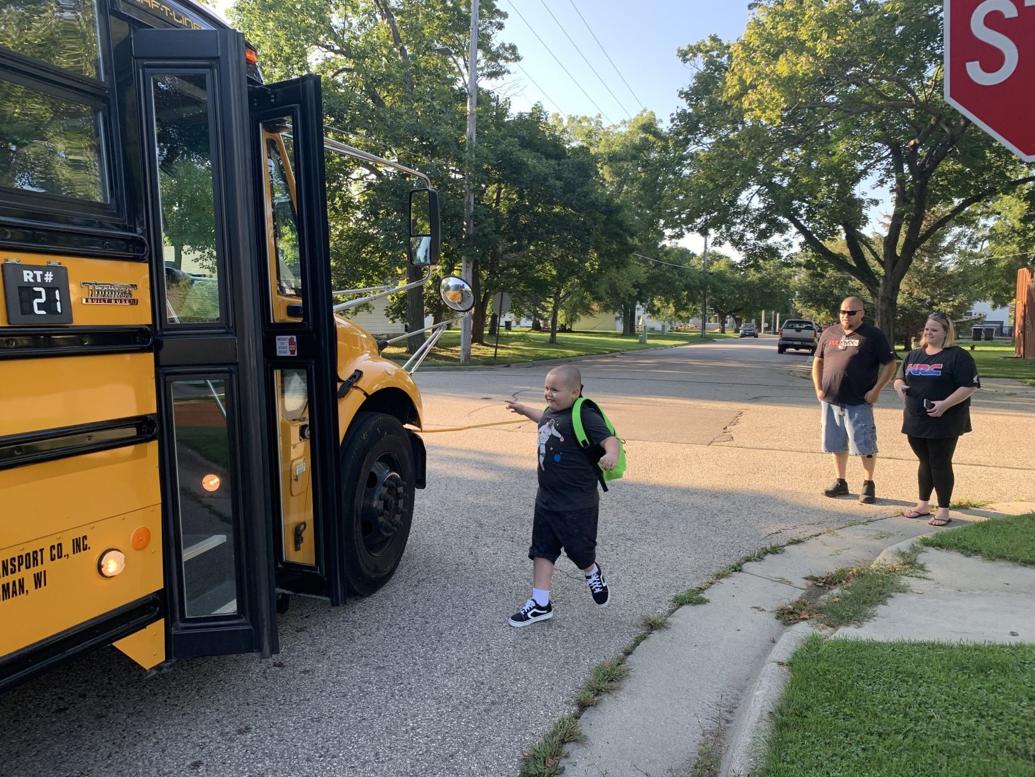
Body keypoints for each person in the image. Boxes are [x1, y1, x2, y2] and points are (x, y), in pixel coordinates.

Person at [504, 365, 619, 627]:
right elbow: (543, 418)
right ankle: (540, 603)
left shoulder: (584, 415)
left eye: (554, 390)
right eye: (546, 388)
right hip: (547, 498)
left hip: (577, 503)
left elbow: (609, 440)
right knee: (542, 549)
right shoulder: (552, 411)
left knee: (580, 551)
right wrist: (523, 409)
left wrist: (611, 454)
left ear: (575, 391)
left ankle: (591, 571)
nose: (548, 394)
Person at [893, 313, 980, 527]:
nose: (928, 333)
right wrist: (899, 387)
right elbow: (899, 378)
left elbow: (969, 386)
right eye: (927, 329)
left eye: (934, 330)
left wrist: (945, 404)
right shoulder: (914, 355)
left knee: (940, 462)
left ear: (946, 332)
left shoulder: (958, 356)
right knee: (924, 461)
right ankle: (923, 504)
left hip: (945, 420)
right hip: (916, 419)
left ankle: (943, 509)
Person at [812, 297, 898, 503]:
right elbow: (818, 361)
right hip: (831, 399)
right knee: (836, 443)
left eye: (851, 312)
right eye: (843, 311)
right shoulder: (829, 333)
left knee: (864, 444)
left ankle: (868, 484)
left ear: (861, 313)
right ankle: (840, 481)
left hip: (859, 400)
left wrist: (876, 390)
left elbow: (890, 364)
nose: (846, 316)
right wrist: (819, 388)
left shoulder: (873, 335)